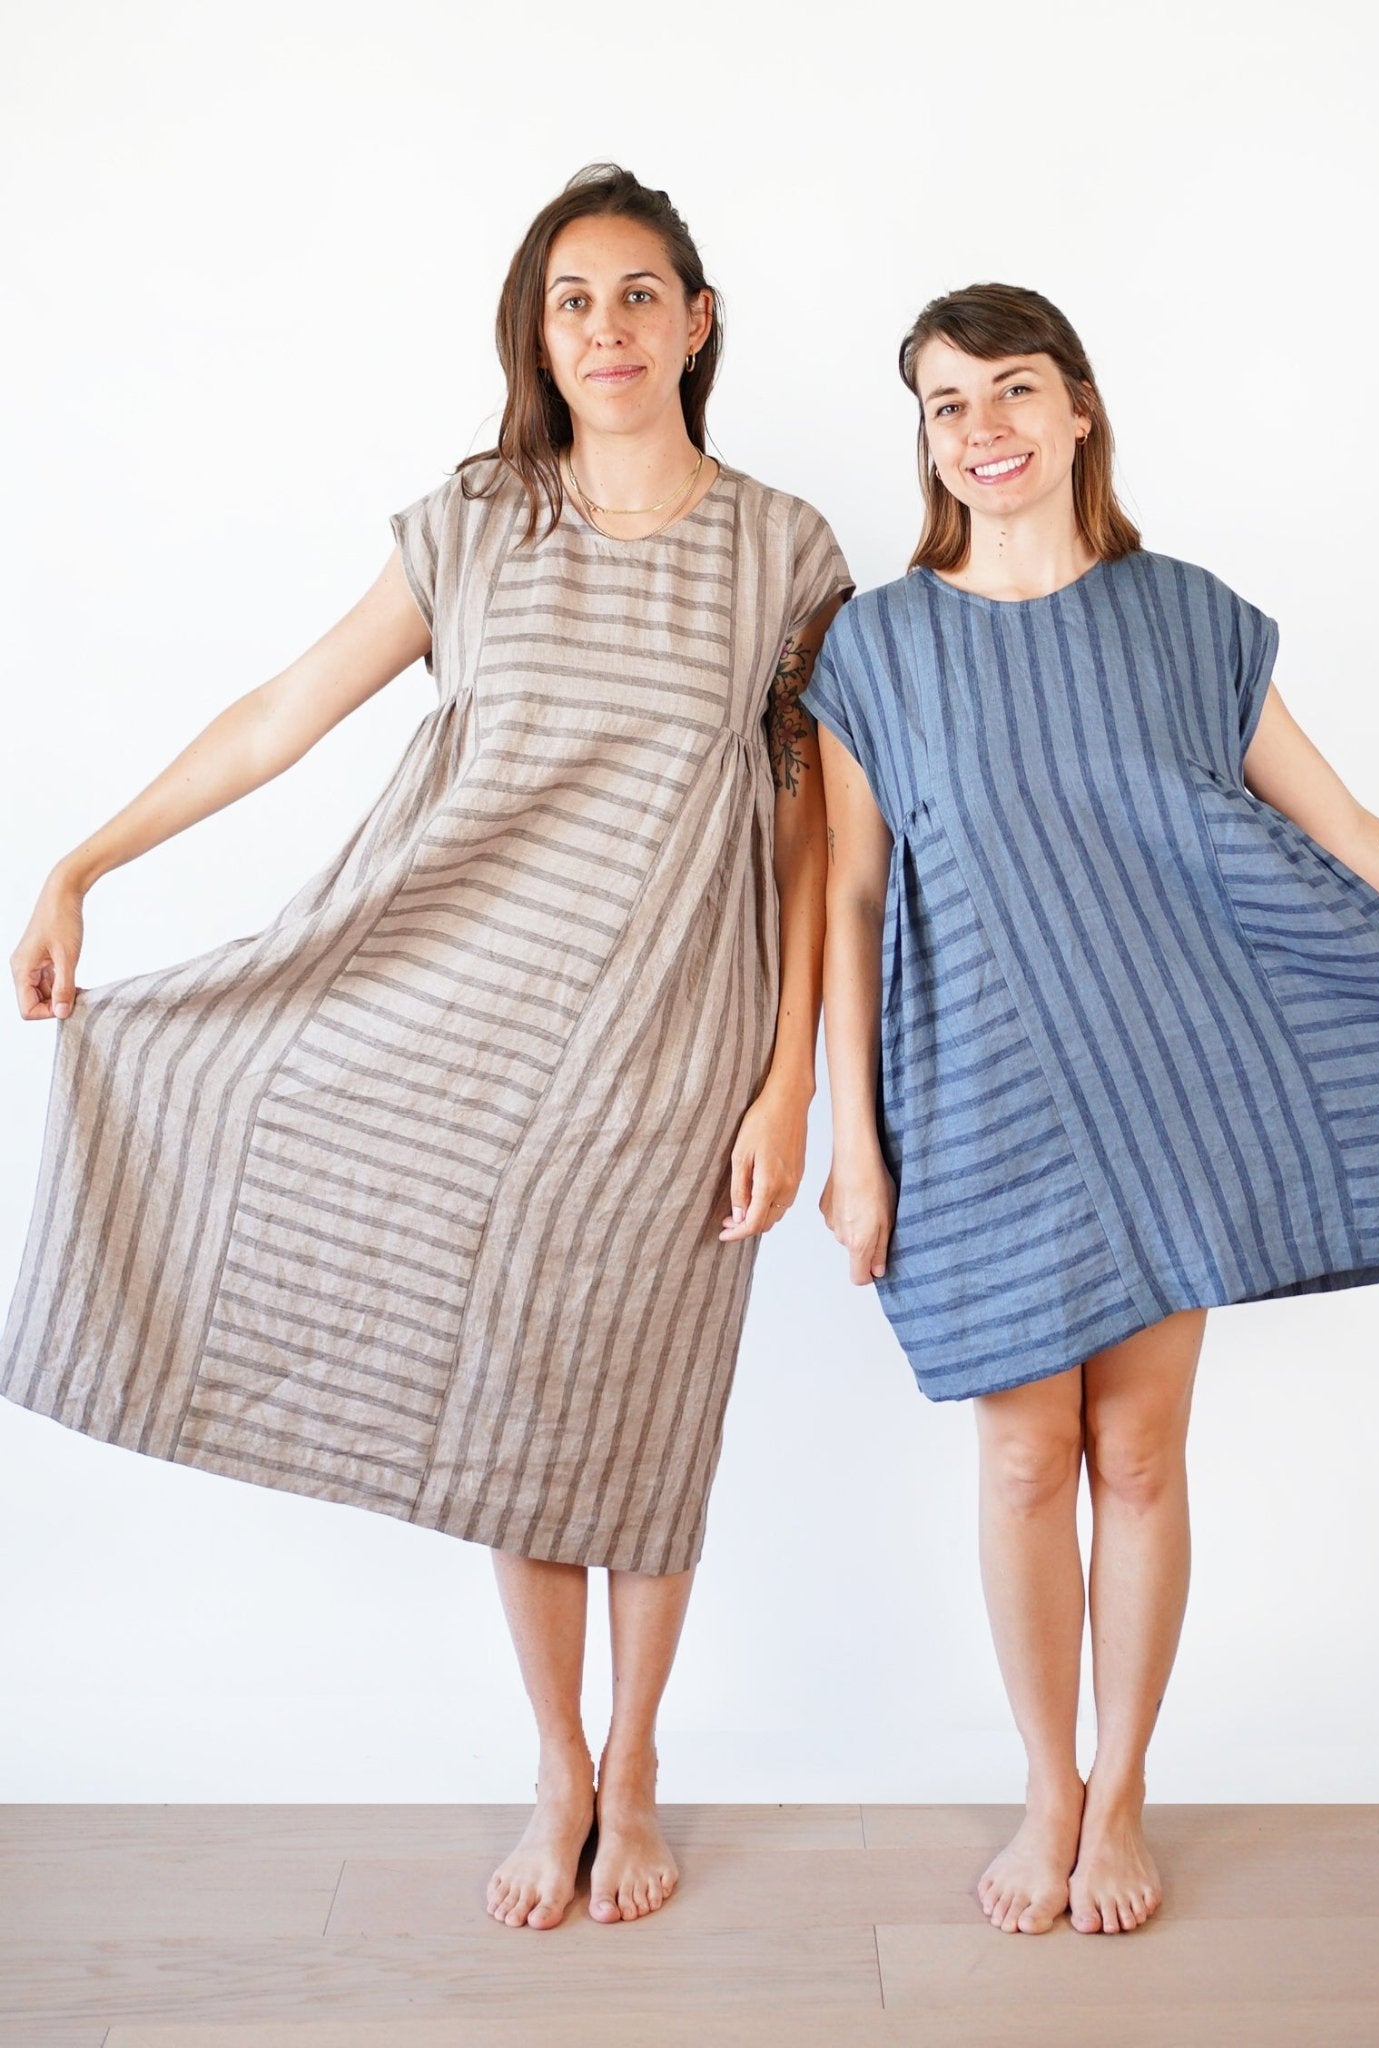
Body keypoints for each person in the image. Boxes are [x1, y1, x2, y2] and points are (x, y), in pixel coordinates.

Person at [1, 162, 852, 1932]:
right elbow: (281, 715)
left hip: (673, 1037)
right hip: (468, 1015)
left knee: (643, 1402)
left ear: (697, 323)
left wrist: (791, 1081)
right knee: (515, 1404)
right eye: (571, 301)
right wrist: (83, 860)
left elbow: (806, 825)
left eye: (637, 295)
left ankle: (639, 1763)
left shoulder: (785, 549)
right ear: (535, 335)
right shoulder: (475, 519)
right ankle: (561, 1765)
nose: (606, 328)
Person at [804, 281, 1379, 1939]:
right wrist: (851, 1144)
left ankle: (1119, 1795)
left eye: (1013, 388)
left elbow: (1349, 834)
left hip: (1169, 1087)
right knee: (1020, 1458)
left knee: (1137, 1453)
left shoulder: (1186, 618)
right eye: (947, 403)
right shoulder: (873, 647)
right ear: (926, 440)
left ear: (1079, 407)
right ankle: (1045, 1791)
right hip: (973, 1106)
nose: (983, 428)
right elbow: (850, 899)